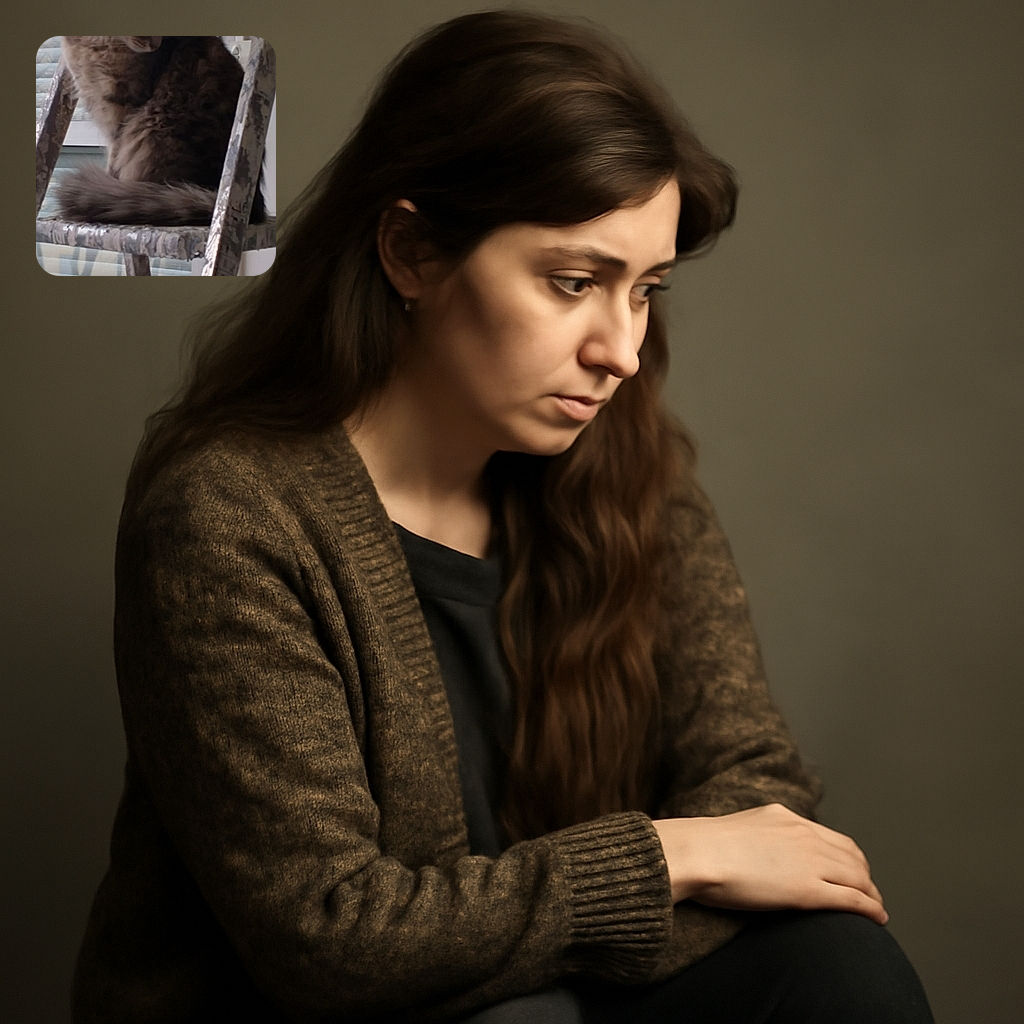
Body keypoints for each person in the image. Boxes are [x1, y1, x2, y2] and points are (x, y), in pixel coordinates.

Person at [72, 11, 933, 1023]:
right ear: (410, 252)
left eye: (644, 290)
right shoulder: (229, 512)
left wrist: (567, 928)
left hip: (555, 995)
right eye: (575, 283)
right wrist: (670, 857)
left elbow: (758, 800)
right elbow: (336, 939)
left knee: (835, 965)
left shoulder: (625, 469)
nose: (619, 348)